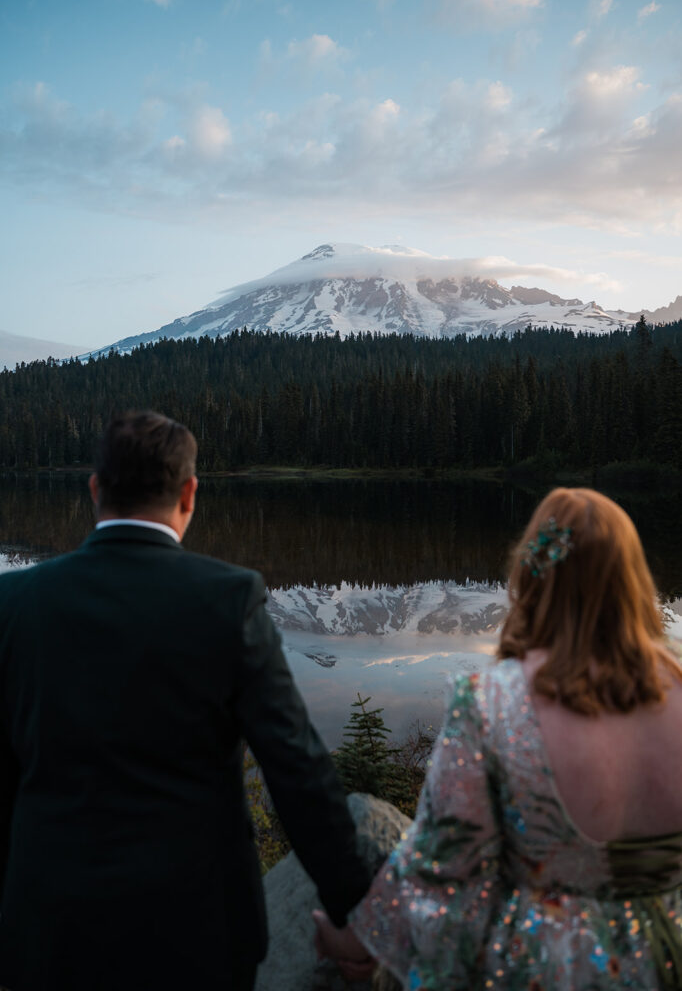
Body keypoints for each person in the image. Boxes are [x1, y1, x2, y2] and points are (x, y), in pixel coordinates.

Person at [0, 411, 371, 991]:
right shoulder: (229, 598)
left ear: (95, 489)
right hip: (197, 929)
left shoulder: (14, 601)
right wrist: (356, 913)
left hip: (48, 924)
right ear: (190, 493)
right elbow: (296, 767)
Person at [314, 487, 682, 989]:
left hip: (541, 967)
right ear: (633, 580)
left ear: (532, 578)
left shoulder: (493, 701)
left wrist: (357, 942)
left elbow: (441, 867)